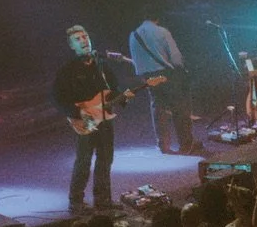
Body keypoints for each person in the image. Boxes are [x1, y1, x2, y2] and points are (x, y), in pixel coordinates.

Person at [52, 25, 128, 213]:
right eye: (78, 39)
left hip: (105, 119)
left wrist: (123, 97)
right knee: (84, 161)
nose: (84, 41)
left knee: (105, 159)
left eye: (85, 36)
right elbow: (57, 98)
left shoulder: (101, 65)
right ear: (72, 46)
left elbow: (113, 89)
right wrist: (78, 113)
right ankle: (76, 201)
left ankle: (103, 200)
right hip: (84, 121)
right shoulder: (67, 70)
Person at [128, 12, 198, 155]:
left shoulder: (134, 35)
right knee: (179, 108)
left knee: (158, 109)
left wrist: (143, 76)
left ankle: (163, 145)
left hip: (149, 76)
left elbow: (136, 60)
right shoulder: (162, 31)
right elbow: (176, 57)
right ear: (157, 18)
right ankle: (185, 144)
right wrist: (181, 69)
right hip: (167, 75)